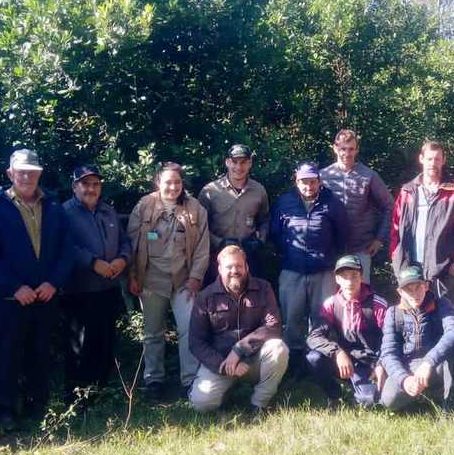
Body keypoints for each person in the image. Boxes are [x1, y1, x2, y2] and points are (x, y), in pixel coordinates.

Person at [0, 149, 75, 434]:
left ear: (39, 174)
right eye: (21, 171)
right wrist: (13, 286)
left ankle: (37, 409)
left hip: (45, 295)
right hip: (11, 297)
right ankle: (5, 413)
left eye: (32, 172)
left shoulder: (53, 205)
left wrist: (53, 282)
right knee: (7, 356)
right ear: (10, 173)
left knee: (40, 354)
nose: (26, 176)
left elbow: (66, 249)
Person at [128, 162, 210, 399]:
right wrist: (132, 275)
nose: (173, 187)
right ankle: (153, 380)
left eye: (177, 182)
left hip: (184, 281)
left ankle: (190, 380)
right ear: (158, 182)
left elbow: (203, 248)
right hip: (151, 281)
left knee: (189, 329)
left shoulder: (195, 208)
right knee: (153, 332)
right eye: (168, 182)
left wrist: (196, 277)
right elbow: (131, 243)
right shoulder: (144, 206)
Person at [188, 245, 289, 413]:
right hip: (222, 362)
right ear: (220, 269)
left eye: (239, 266)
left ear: (246, 267)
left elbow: (273, 326)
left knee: (278, 348)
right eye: (229, 267)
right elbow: (196, 342)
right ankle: (226, 391)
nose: (234, 271)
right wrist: (222, 365)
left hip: (254, 360)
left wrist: (239, 349)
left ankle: (259, 403)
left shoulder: (263, 288)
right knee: (202, 404)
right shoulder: (205, 297)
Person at [62, 163, 131, 407]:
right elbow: (64, 246)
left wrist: (123, 259)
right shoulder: (64, 213)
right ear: (74, 186)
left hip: (109, 289)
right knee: (81, 345)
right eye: (85, 183)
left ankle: (99, 393)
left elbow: (125, 240)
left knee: (105, 342)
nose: (91, 188)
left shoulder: (108, 211)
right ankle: (76, 399)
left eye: (96, 184)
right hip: (80, 291)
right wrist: (92, 263)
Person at [270, 161, 348, 368]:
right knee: (291, 318)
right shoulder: (284, 202)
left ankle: (319, 363)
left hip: (324, 272)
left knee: (322, 319)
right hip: (292, 270)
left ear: (319, 181)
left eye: (312, 181)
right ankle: (293, 364)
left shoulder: (333, 204)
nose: (308, 186)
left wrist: (327, 258)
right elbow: (276, 234)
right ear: (296, 181)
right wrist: (290, 256)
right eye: (304, 181)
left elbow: (342, 237)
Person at [389, 140, 454, 305]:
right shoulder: (408, 191)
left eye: (437, 159)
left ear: (443, 160)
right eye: (429, 159)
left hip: (443, 271)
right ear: (421, 159)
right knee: (412, 316)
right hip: (410, 269)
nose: (433, 163)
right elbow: (395, 230)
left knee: (445, 316)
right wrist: (396, 260)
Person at [305, 255, 389, 407]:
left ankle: (360, 389)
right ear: (337, 279)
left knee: (369, 401)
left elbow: (391, 338)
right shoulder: (331, 304)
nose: (349, 282)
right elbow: (314, 336)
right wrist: (337, 352)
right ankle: (335, 394)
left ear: (361, 277)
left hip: (370, 362)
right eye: (344, 277)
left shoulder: (377, 304)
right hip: (344, 359)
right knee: (313, 358)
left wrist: (381, 363)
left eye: (354, 276)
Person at [379, 266, 454, 412]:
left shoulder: (442, 304)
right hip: (408, 367)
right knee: (389, 400)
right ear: (400, 292)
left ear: (426, 286)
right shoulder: (393, 313)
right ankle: (425, 396)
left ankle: (449, 408)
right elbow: (388, 353)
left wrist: (428, 362)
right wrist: (404, 379)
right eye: (408, 289)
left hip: (436, 364)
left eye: (418, 287)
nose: (414, 294)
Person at [320, 130, 394, 283]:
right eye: (343, 149)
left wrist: (379, 239)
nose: (347, 153)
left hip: (360, 248)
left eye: (351, 149)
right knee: (331, 296)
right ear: (335, 148)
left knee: (361, 293)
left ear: (357, 150)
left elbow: (390, 206)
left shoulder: (368, 175)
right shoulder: (323, 176)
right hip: (330, 249)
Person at [198, 144, 270, 278]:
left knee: (250, 290)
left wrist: (260, 240)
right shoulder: (210, 191)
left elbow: (264, 220)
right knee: (217, 290)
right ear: (227, 162)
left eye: (243, 162)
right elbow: (199, 225)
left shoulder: (259, 191)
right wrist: (218, 242)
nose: (239, 167)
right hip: (217, 256)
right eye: (234, 162)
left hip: (248, 256)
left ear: (250, 163)